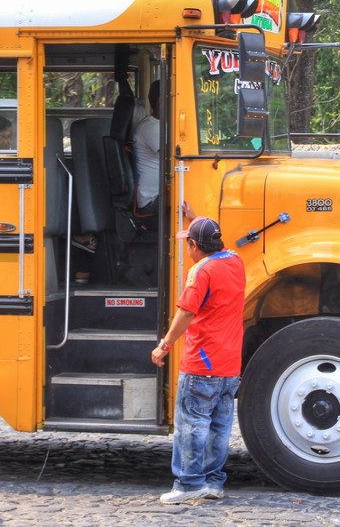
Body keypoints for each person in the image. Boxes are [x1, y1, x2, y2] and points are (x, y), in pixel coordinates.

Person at [151, 214, 246, 505]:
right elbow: (211, 240)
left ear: (194, 245)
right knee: (219, 426)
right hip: (229, 365)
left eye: (189, 243)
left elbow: (187, 312)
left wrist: (164, 345)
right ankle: (213, 482)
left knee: (192, 425)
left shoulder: (201, 271)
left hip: (202, 363)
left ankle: (190, 483)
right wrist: (195, 218)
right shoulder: (235, 262)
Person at [133, 80, 160, 216]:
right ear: (161, 101)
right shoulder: (150, 127)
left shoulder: (163, 125)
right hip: (152, 199)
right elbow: (171, 157)